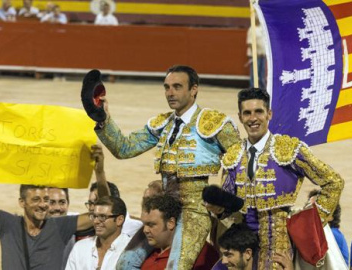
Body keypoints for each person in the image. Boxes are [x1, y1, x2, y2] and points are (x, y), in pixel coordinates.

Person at [92, 65, 241, 268]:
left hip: (194, 210)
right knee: (125, 264)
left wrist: (228, 203)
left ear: (194, 89)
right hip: (163, 209)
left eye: (177, 87)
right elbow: (124, 149)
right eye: (167, 87)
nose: (170, 93)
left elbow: (240, 161)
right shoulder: (162, 124)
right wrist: (103, 119)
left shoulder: (214, 123)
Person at [206, 88, 344, 269]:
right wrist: (218, 209)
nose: (253, 118)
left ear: (269, 114)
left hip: (279, 244)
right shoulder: (233, 156)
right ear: (240, 117)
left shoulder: (288, 149)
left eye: (258, 112)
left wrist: (309, 221)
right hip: (242, 241)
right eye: (247, 113)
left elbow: (334, 182)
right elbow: (229, 210)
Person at [0, 126, 93, 270]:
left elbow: (101, 214)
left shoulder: (60, 226)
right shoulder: (8, 225)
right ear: (22, 202)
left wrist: (99, 170)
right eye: (36, 199)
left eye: (46, 199)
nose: (43, 204)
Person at [136, 194, 218, 270]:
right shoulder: (144, 251)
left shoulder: (200, 254)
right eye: (144, 224)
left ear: (170, 223)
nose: (145, 230)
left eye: (151, 225)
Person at [66, 196, 131, 270]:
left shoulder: (131, 250)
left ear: (119, 220)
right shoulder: (79, 248)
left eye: (102, 217)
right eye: (94, 216)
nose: (96, 221)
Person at [246, 14, 266, 89]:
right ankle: (253, 88)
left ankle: (262, 88)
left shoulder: (262, 28)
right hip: (256, 55)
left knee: (262, 73)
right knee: (254, 73)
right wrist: (255, 53)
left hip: (262, 54)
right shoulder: (252, 29)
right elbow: (250, 43)